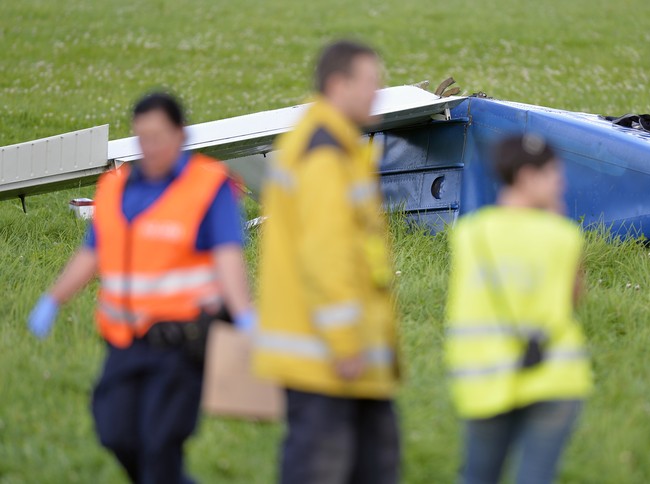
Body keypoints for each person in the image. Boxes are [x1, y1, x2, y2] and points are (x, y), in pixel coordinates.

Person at [27, 92, 255, 484]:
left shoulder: (208, 187)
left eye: (158, 137)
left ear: (180, 136)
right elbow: (91, 253)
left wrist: (247, 317)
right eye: (142, 138)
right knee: (116, 435)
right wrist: (52, 300)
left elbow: (228, 258)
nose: (149, 148)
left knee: (160, 446)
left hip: (183, 344)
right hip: (124, 342)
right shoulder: (114, 187)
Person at [252, 40, 400, 484]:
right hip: (331, 359)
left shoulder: (328, 141)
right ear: (339, 85)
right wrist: (345, 342)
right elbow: (326, 255)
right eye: (371, 81)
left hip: (337, 356)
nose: (379, 91)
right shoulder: (325, 153)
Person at [444, 134, 593, 484]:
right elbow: (574, 298)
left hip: (484, 377)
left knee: (478, 476)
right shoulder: (564, 235)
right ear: (527, 177)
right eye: (553, 174)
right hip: (554, 376)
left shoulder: (469, 234)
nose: (561, 182)